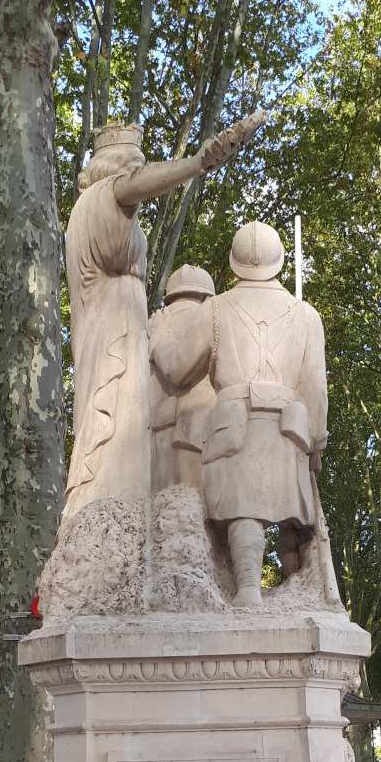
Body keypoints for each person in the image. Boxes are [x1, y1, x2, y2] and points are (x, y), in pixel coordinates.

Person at [63, 112, 263, 515]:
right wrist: (197, 164)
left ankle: (114, 517)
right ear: (114, 167)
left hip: (118, 327)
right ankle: (105, 514)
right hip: (111, 334)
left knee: (125, 440)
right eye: (134, 162)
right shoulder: (103, 197)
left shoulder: (94, 210)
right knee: (112, 435)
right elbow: (134, 186)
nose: (140, 168)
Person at [149, 221, 329, 606]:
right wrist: (317, 443)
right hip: (287, 429)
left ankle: (249, 588)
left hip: (235, 425)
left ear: (234, 264)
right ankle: (293, 586)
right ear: (278, 262)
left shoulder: (215, 310)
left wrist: (158, 336)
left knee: (244, 510)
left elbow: (177, 370)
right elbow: (316, 391)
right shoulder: (307, 316)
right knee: (289, 516)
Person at [148, 264, 216, 493]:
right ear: (207, 296)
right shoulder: (210, 319)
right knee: (198, 512)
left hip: (157, 431)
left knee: (162, 510)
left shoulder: (154, 322)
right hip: (198, 431)